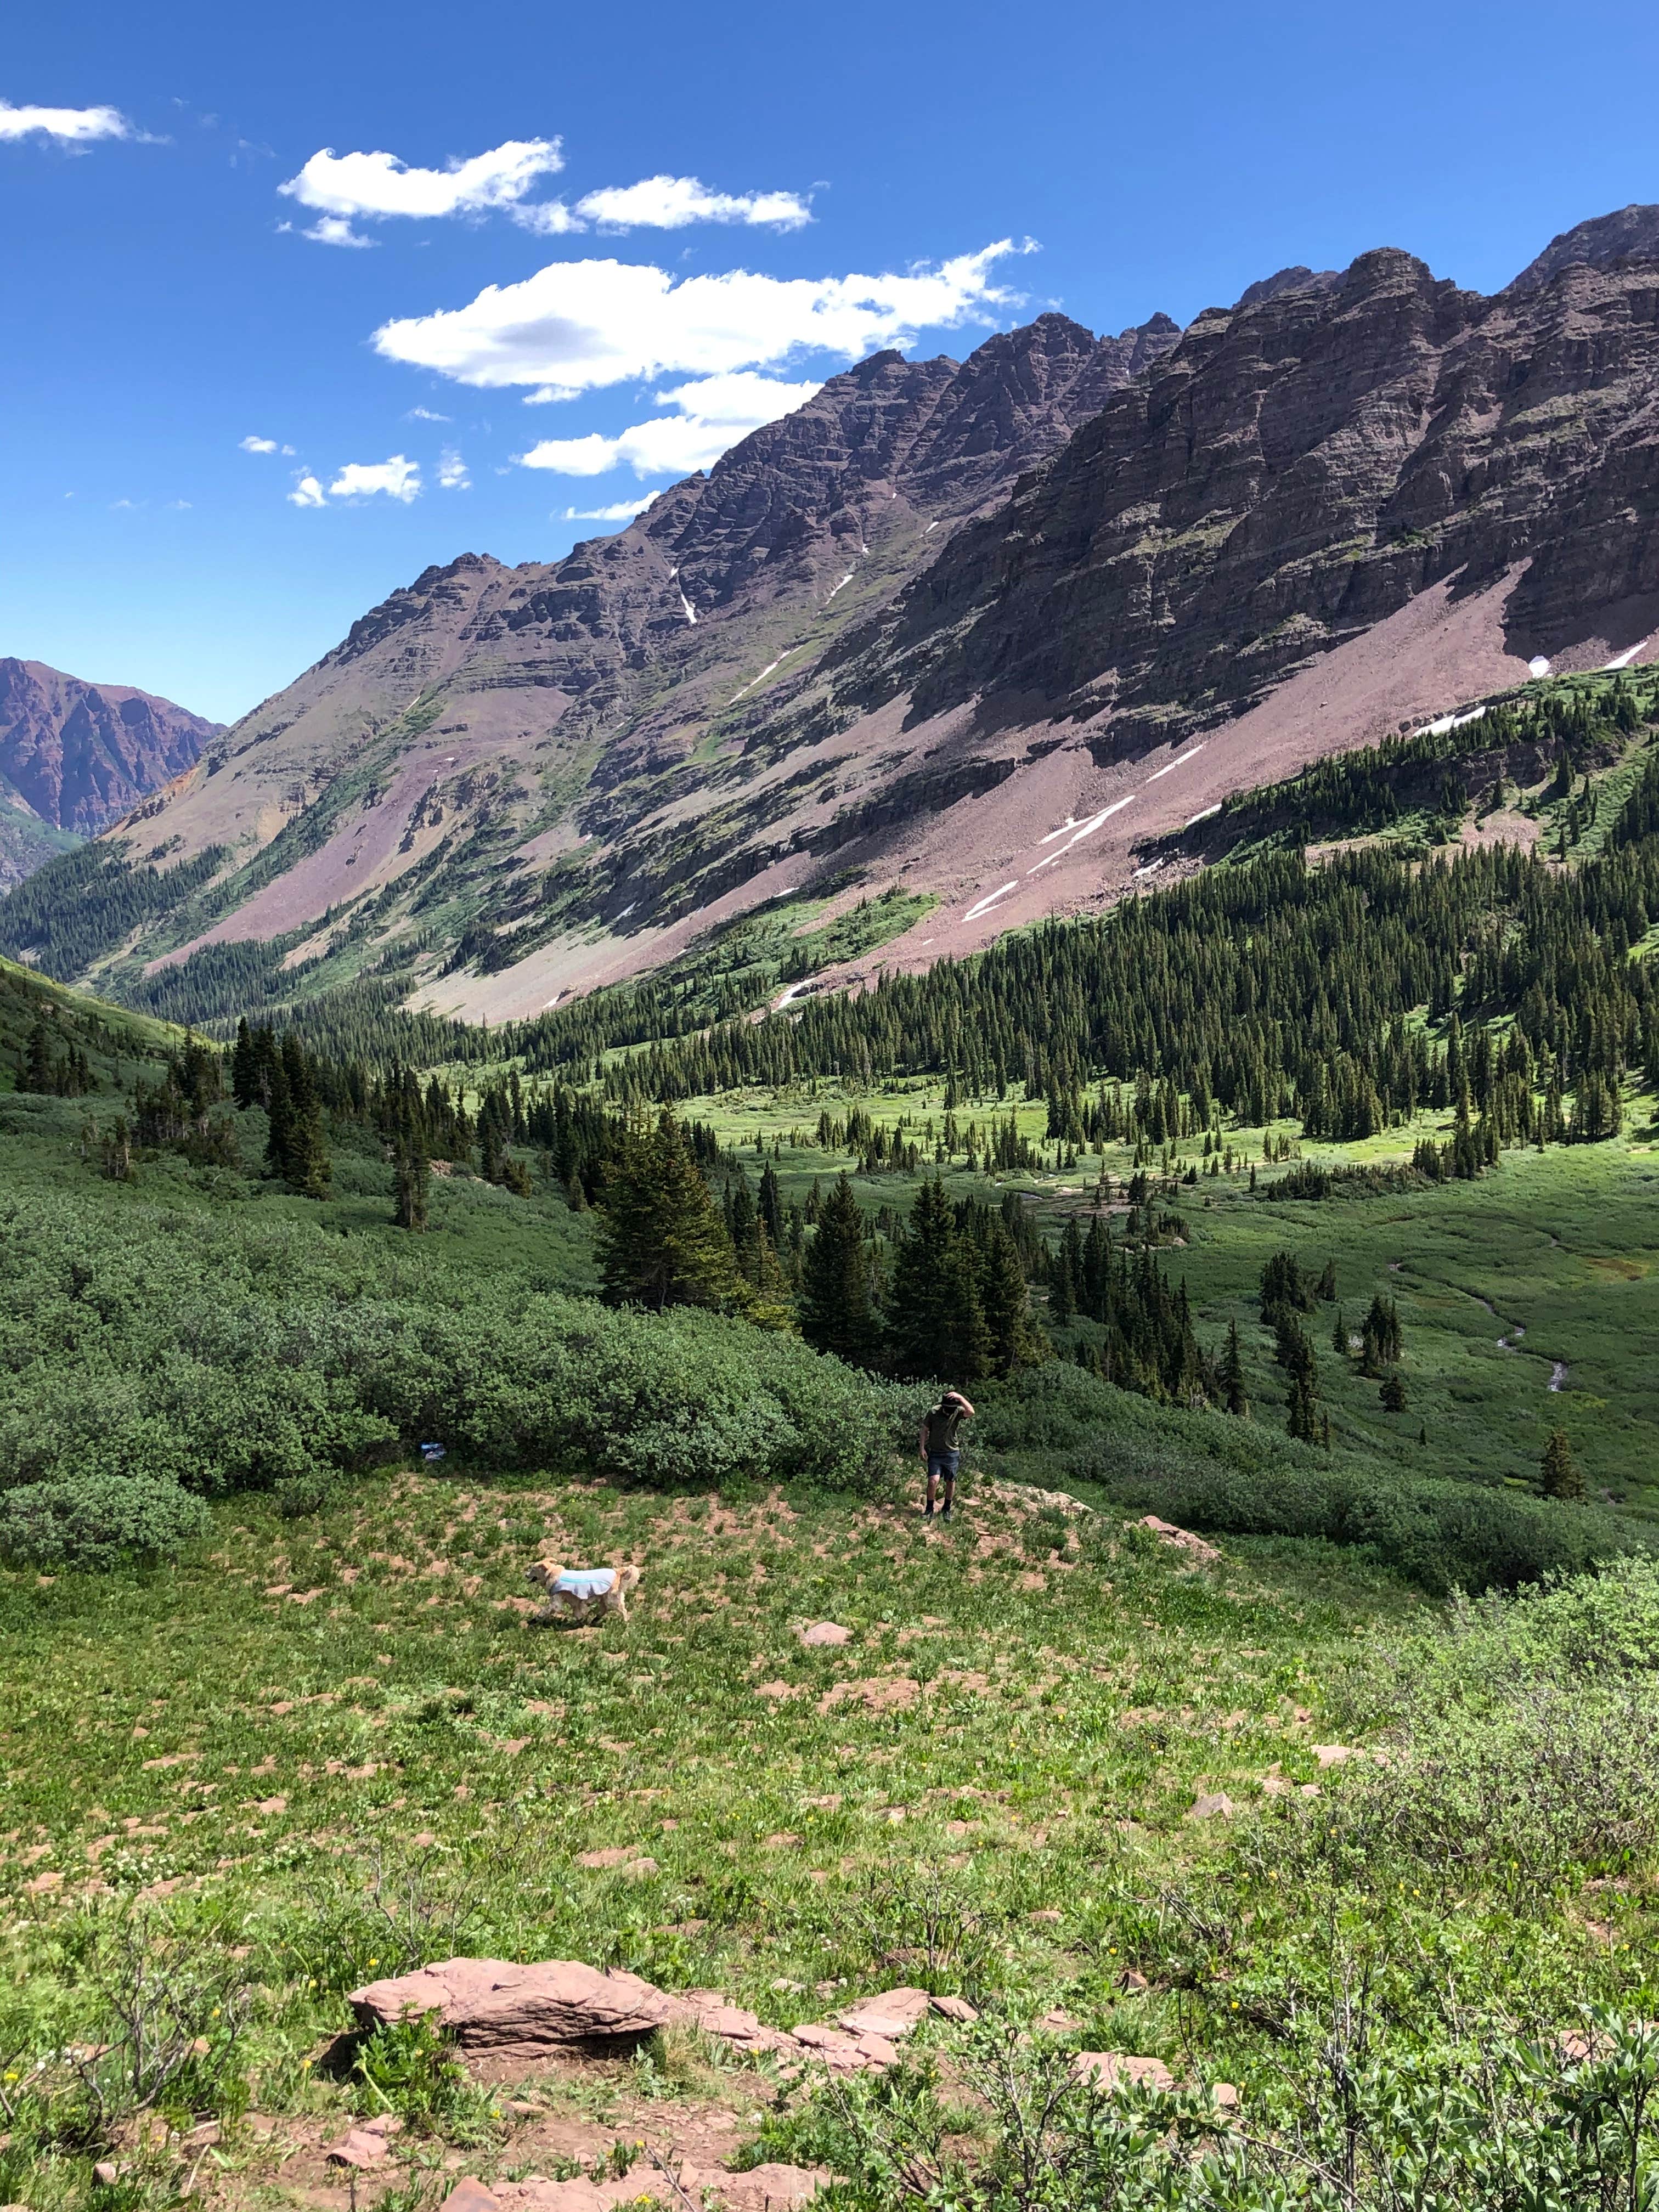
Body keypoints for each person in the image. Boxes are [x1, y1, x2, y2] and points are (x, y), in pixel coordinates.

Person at [919, 1387, 975, 1519]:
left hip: (951, 1453)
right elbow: (924, 1429)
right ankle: (929, 1509)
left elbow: (971, 1412)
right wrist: (922, 1448)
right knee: (933, 1480)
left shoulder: (957, 1411)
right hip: (936, 1452)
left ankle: (947, 1509)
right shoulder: (933, 1412)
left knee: (951, 1480)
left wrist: (960, 1398)